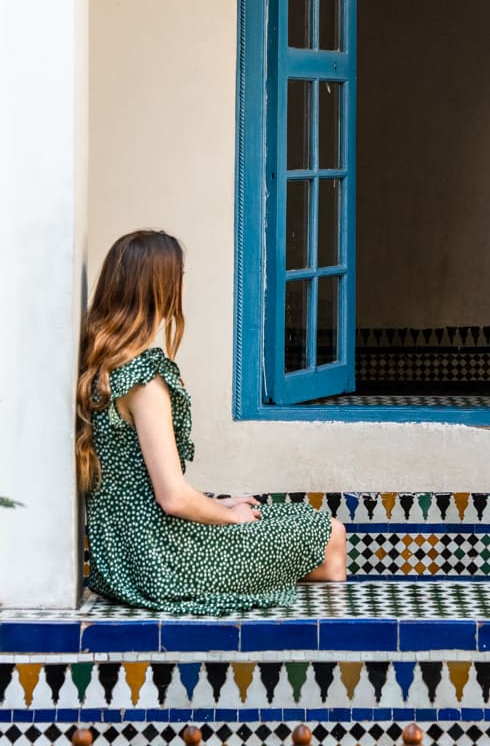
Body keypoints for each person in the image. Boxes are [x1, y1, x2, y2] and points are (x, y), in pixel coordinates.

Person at [76, 229, 346, 613]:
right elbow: (171, 499)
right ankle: (319, 647)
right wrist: (227, 515)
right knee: (330, 534)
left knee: (290, 518)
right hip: (167, 563)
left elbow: (139, 482)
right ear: (162, 288)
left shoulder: (104, 370)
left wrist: (211, 502)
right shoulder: (144, 382)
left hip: (124, 562)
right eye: (179, 277)